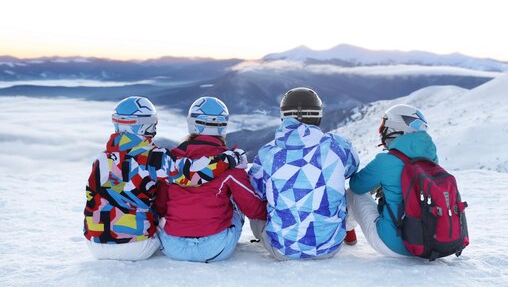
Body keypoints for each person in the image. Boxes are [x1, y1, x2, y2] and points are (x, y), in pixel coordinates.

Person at [83, 96, 238, 261]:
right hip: (136, 246)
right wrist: (229, 159)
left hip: (95, 244)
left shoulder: (101, 160)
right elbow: (191, 175)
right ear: (147, 126)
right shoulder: (153, 156)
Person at [248, 87, 359, 260]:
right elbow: (352, 169)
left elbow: (257, 191)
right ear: (318, 115)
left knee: (263, 201)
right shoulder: (339, 146)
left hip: (282, 251)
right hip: (329, 248)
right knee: (347, 191)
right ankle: (348, 232)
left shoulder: (267, 153)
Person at [154, 97, 267, 263]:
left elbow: (161, 206)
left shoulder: (171, 161)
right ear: (223, 126)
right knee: (238, 202)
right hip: (215, 247)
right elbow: (253, 209)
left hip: (174, 247)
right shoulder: (231, 165)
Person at [345, 104, 438, 257]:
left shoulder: (386, 161)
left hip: (393, 245)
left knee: (353, 194)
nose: (382, 132)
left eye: (385, 127)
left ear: (396, 129)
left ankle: (348, 233)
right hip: (429, 242)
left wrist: (381, 182)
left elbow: (356, 186)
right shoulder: (432, 158)